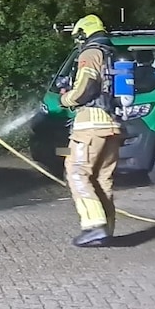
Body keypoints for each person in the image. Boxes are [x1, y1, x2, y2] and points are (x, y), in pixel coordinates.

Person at [57, 14, 122, 247]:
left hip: (91, 124)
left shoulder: (91, 53)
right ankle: (107, 229)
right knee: (102, 178)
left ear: (84, 33)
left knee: (76, 171)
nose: (78, 42)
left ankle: (94, 227)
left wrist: (67, 99)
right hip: (113, 124)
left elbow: (86, 85)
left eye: (78, 37)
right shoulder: (112, 54)